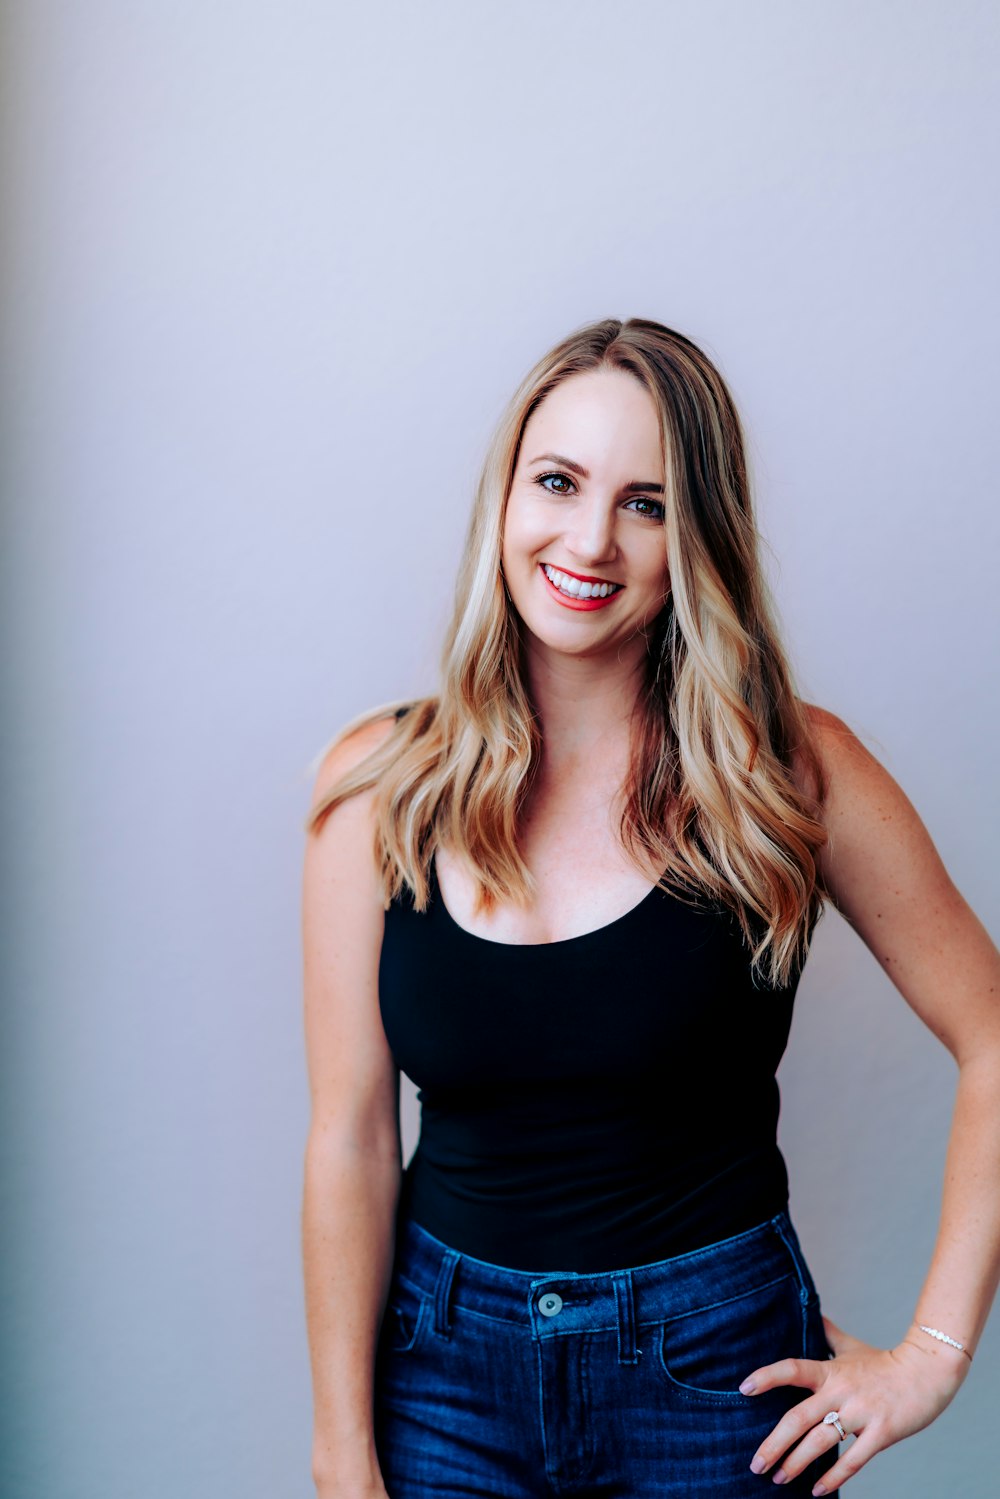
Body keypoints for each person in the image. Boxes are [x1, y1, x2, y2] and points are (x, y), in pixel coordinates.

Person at [300, 317, 1000, 1498]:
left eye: (646, 502)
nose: (589, 538)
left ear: (700, 536)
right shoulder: (380, 784)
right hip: (439, 1381)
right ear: (506, 498)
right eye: (559, 482)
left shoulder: (790, 769)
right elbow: (352, 1137)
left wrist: (932, 1355)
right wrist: (340, 1452)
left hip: (715, 1380)